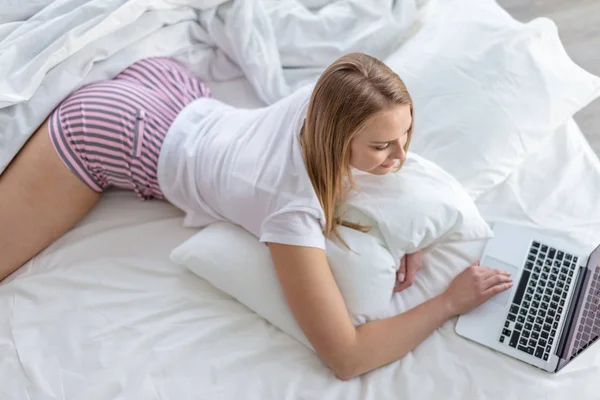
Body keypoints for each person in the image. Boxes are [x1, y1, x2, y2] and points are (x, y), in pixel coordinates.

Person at [0, 53, 512, 379]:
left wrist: (411, 234)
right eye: (382, 146)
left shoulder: (334, 89)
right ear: (337, 137)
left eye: (406, 136)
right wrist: (448, 302)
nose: (400, 158)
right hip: (115, 128)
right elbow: (347, 356)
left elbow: (389, 177)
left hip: (177, 87)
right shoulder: (291, 211)